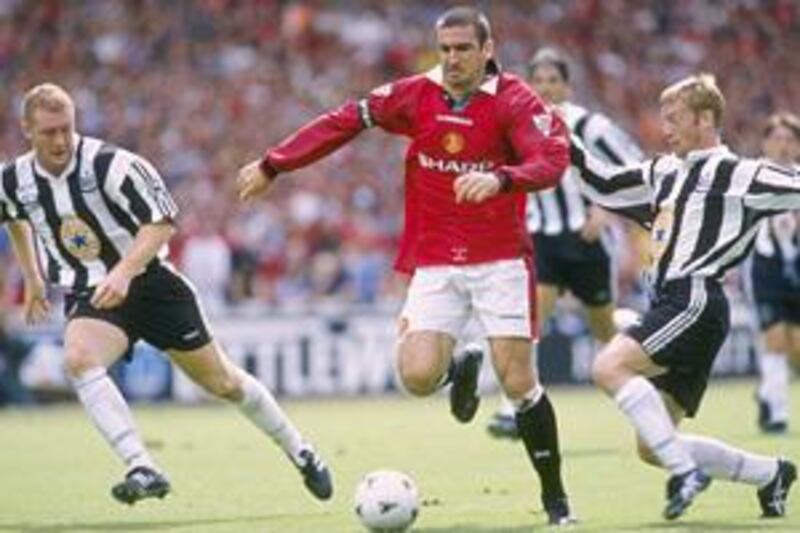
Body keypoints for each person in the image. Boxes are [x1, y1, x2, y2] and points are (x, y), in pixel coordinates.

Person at [237, 6, 576, 525]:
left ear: (487, 50)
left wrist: (502, 179)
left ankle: (556, 502)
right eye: (445, 49)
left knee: (518, 386)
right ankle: (461, 364)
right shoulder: (416, 94)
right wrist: (273, 164)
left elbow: (551, 160)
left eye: (464, 49)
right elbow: (343, 121)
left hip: (501, 261)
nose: (453, 59)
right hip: (436, 262)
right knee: (416, 377)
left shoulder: (515, 101)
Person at [0, 83, 332, 505]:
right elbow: (12, 214)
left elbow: (162, 222)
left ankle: (299, 449)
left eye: (67, 128)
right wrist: (31, 276)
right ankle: (142, 465)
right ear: (26, 130)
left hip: (153, 285)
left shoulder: (112, 165)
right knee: (78, 359)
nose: (61, 140)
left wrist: (124, 271)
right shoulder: (14, 179)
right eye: (49, 132)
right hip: (93, 293)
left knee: (224, 383)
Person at [570, 73, 798, 520]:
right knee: (651, 446)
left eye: (674, 119)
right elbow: (603, 185)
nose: (664, 129)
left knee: (606, 366)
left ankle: (685, 473)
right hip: (675, 306)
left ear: (705, 118)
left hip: (693, 299)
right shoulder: (663, 170)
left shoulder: (740, 173)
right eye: (663, 119)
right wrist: (564, 144)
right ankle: (771, 473)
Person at [487, 47, 644, 439]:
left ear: (567, 85)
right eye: (538, 81)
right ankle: (516, 407)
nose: (545, 88)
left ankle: (640, 350)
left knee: (604, 329)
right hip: (541, 238)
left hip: (586, 239)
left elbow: (634, 164)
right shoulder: (517, 125)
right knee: (530, 320)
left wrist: (605, 210)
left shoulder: (590, 126)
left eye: (553, 80)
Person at [750, 112, 800, 433]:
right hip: (765, 266)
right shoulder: (751, 175)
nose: (783, 145)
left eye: (789, 139)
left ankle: (767, 393)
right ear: (765, 143)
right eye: (776, 139)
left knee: (796, 347)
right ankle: (778, 414)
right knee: (776, 339)